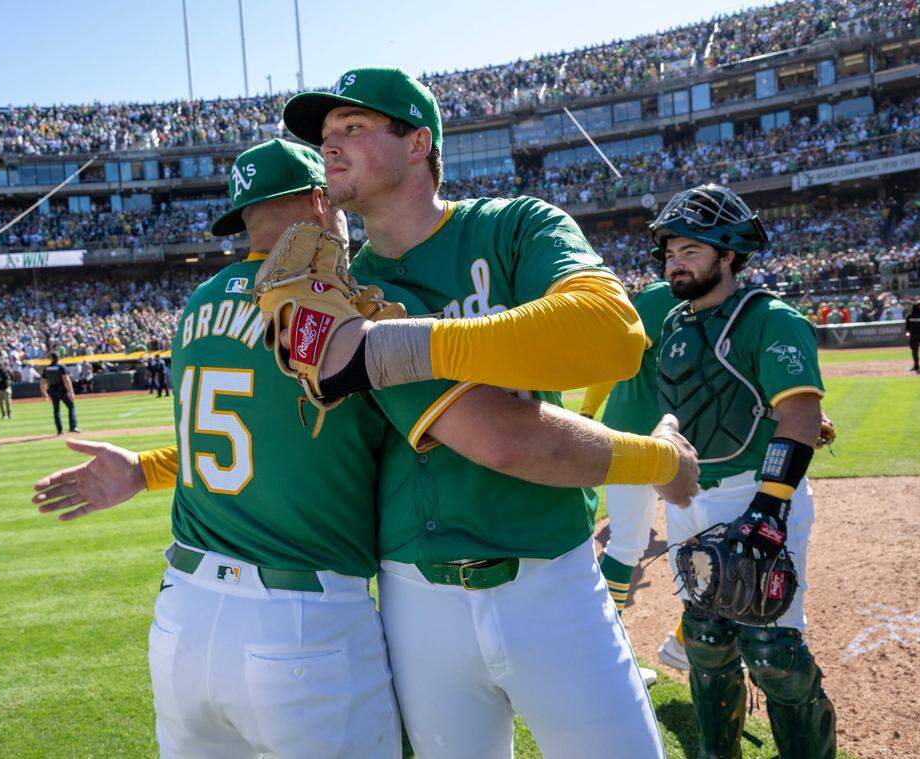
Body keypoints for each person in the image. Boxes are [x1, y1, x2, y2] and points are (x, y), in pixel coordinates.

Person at [32, 138, 697, 759]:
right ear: (322, 200)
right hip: (298, 625)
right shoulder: (338, 309)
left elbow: (266, 437)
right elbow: (502, 437)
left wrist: (144, 470)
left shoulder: (196, 307)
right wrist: (659, 457)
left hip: (181, 621)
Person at [275, 67, 688, 756]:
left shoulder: (515, 226)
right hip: (416, 596)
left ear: (418, 144)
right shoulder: (339, 293)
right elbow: (499, 438)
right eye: (325, 137)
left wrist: (399, 346)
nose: (331, 148)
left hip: (551, 576)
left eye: (352, 127)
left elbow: (612, 333)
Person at [650, 183, 837, 758]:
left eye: (690, 252)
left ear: (728, 256)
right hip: (690, 497)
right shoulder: (676, 325)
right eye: (670, 253)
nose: (674, 264)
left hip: (758, 493)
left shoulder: (770, 318)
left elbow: (800, 414)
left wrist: (768, 509)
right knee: (705, 640)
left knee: (772, 649)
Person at [579, 279, 686, 676]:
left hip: (647, 429)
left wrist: (591, 411)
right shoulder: (664, 296)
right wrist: (589, 410)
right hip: (644, 431)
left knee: (632, 542)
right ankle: (610, 650)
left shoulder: (664, 295)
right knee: (685, 543)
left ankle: (608, 652)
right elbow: (618, 353)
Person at [40, 353, 80, 434]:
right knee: (71, 406)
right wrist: (71, 392)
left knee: (56, 410)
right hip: (61, 389)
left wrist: (44, 393)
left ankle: (59, 430)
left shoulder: (47, 368)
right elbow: (66, 380)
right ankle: (73, 427)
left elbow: (42, 382)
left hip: (52, 390)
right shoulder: (61, 367)